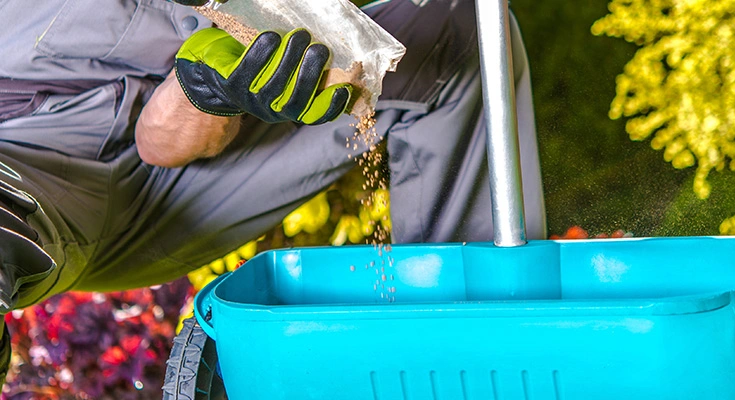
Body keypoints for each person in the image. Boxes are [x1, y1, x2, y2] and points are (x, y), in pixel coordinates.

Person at [0, 0, 546, 383]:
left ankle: (466, 342)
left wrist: (203, 93)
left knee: (456, 38)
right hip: (27, 161)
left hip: (193, 160)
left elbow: (163, 134)